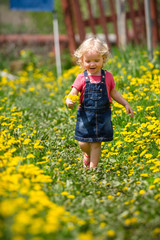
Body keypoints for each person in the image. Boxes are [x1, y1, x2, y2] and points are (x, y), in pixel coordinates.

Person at [66, 37, 134, 169]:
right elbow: (73, 92)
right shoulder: (81, 77)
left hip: (102, 116)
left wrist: (125, 103)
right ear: (82, 61)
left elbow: (114, 93)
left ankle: (93, 170)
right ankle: (87, 153)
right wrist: (69, 99)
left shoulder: (107, 77)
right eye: (88, 61)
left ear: (103, 60)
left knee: (96, 143)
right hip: (86, 115)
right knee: (82, 142)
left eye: (96, 60)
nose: (92, 64)